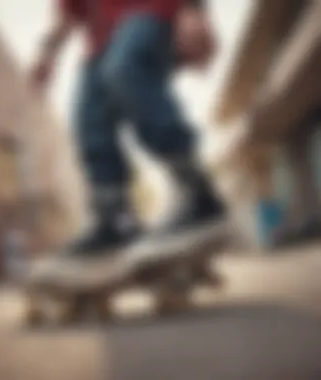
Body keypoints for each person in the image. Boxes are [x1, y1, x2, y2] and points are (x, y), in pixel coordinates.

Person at [30, 0, 224, 259]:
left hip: (152, 13)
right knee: (87, 114)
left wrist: (193, 9)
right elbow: (67, 15)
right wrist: (46, 55)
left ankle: (199, 194)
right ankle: (115, 221)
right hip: (100, 43)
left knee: (124, 67)